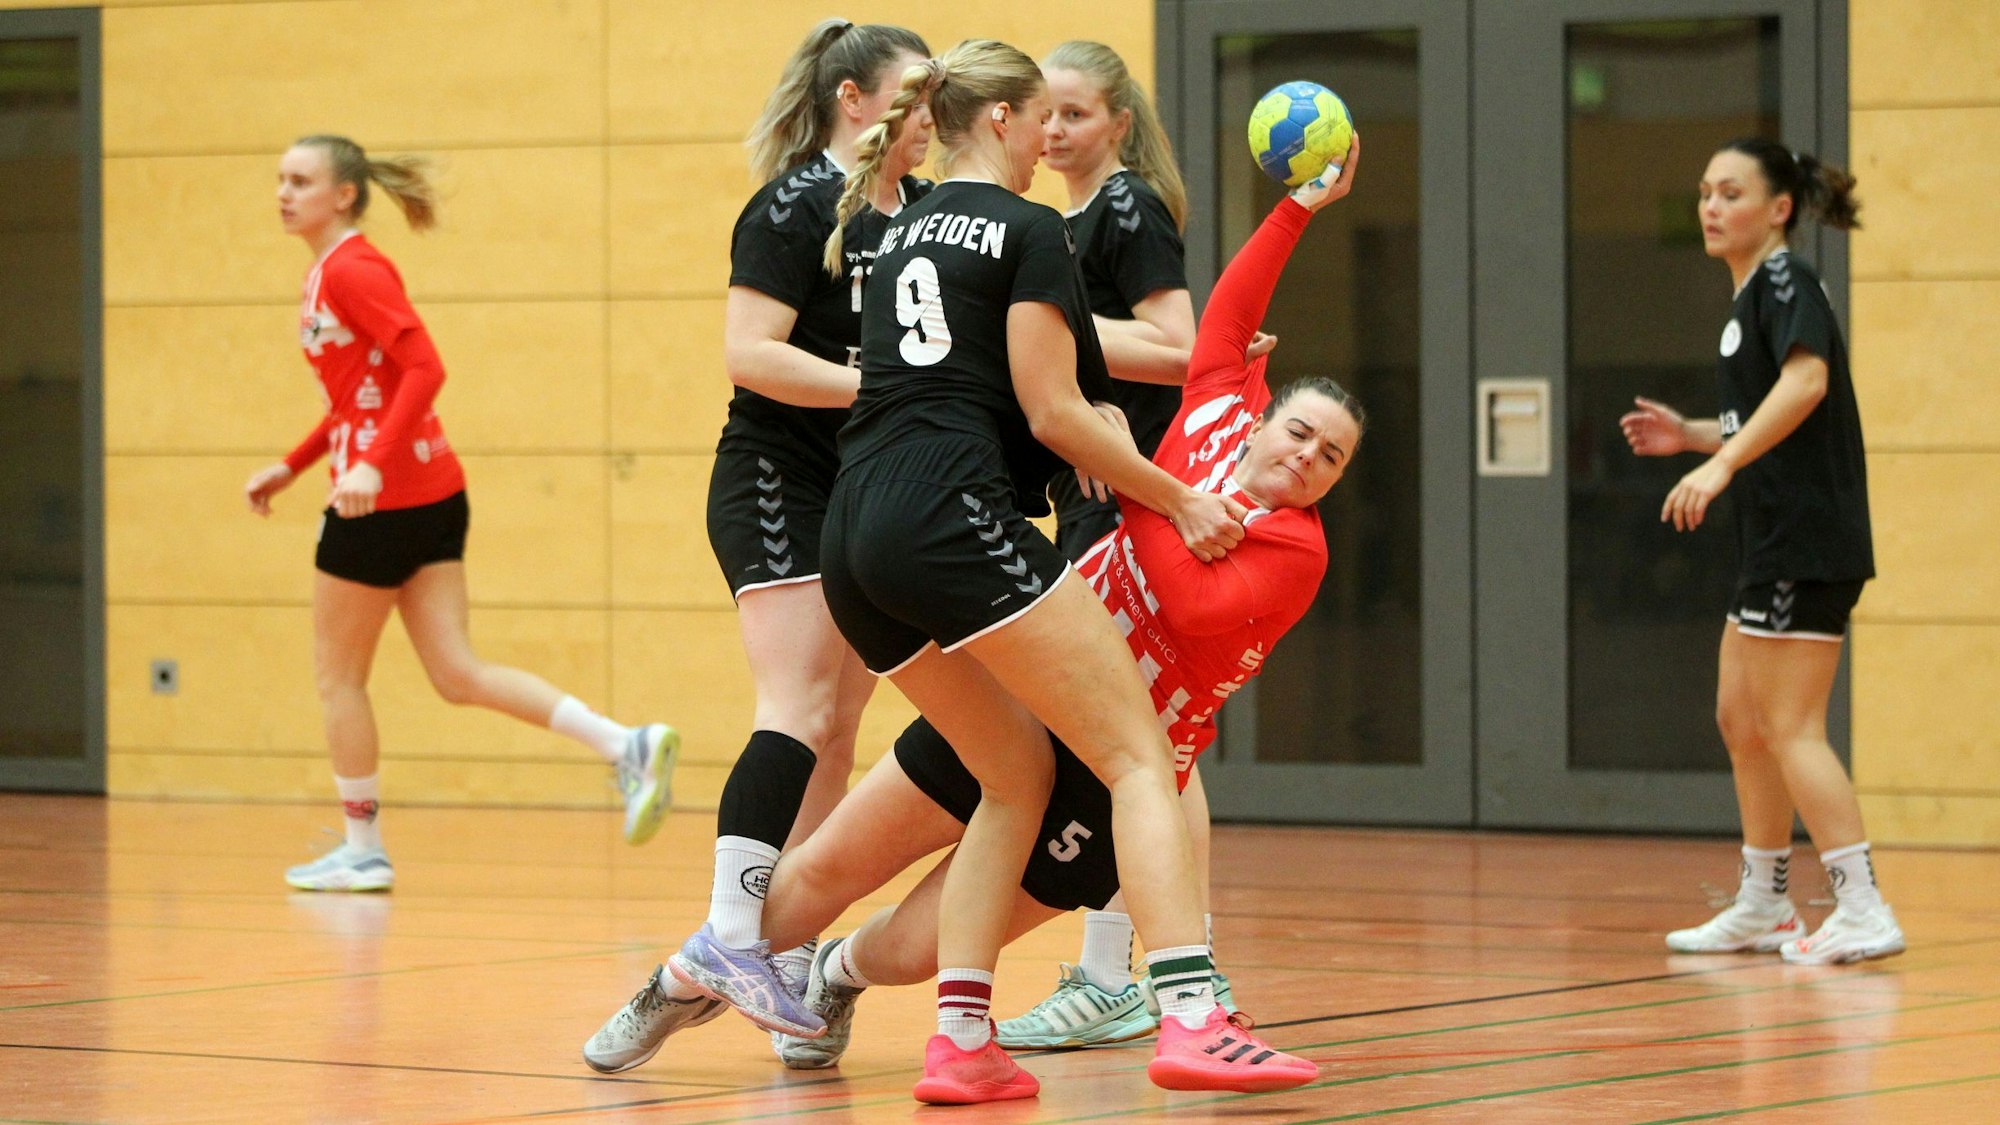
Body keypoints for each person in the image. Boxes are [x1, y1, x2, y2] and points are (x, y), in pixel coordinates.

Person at [581, 153, 1362, 1090]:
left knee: (910, 945)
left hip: (1093, 771)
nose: (1308, 455)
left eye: (1333, 456)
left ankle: (836, 976)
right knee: (825, 866)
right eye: (1301, 430)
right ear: (1264, 415)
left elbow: (1191, 607)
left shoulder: (1295, 547)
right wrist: (1297, 208)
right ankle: (673, 985)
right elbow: (1226, 318)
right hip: (1026, 682)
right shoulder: (1213, 417)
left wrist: (1127, 480)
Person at [246, 135, 675, 893]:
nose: (283, 192)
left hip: (379, 498)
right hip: (430, 490)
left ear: (344, 193)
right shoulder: (331, 271)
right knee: (457, 671)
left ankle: (362, 844)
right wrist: (293, 463)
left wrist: (370, 464)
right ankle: (625, 743)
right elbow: (356, 399)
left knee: (336, 676)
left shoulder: (351, 268)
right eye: (280, 179)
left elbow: (425, 366)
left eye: (300, 180)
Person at [633, 20, 934, 1040]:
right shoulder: (796, 203)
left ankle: (790, 959)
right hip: (778, 480)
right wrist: (882, 390)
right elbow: (751, 354)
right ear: (853, 99)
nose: (931, 118)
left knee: (841, 737)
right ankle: (732, 932)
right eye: (914, 95)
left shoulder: (928, 213)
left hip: (870, 493)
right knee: (800, 711)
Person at [1619, 138, 1902, 965]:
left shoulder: (1786, 281)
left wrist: (1720, 463)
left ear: (1779, 208)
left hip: (1808, 539)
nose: (1712, 206)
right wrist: (1697, 436)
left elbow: (1807, 384)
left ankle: (1863, 905)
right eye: (1705, 191)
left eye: (1731, 192)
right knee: (1741, 720)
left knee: (1789, 725)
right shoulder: (1749, 300)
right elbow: (1769, 417)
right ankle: (1764, 901)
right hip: (1772, 538)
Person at [998, 37, 1219, 1053]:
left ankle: (1119, 974)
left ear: (1118, 123)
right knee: (1151, 743)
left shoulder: (1123, 210)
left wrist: (1075, 370)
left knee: (1139, 743)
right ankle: (1180, 969)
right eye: (1043, 113)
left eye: (1075, 114)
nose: (1052, 131)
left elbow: (1181, 344)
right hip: (1080, 499)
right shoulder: (1057, 220)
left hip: (1123, 500)